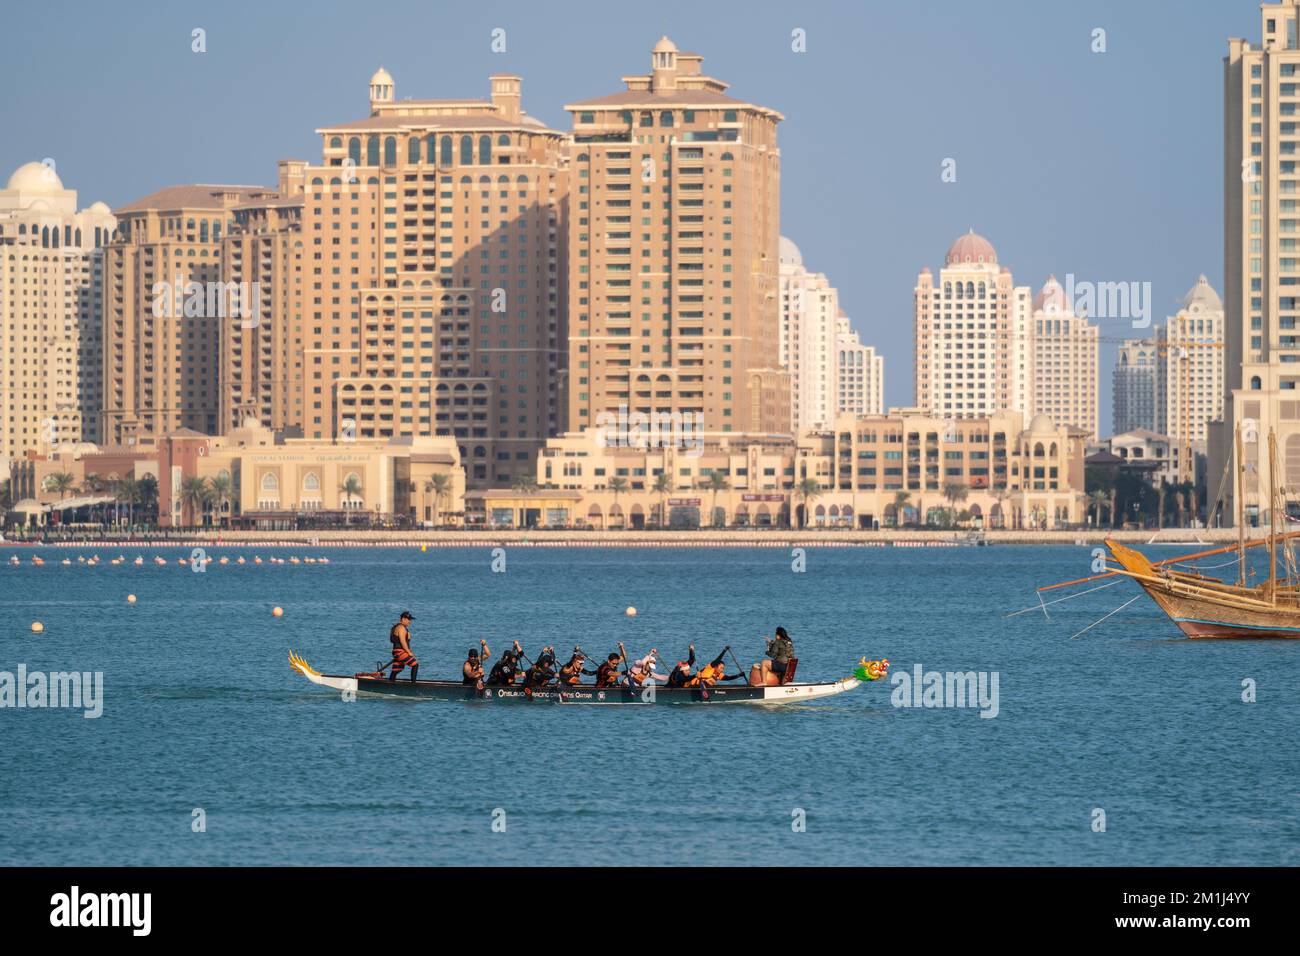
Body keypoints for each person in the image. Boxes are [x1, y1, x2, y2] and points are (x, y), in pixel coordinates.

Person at [388, 611, 418, 682]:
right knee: (415, 664)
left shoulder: (397, 627)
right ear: (403, 619)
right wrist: (409, 652)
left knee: (396, 670)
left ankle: (390, 683)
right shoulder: (401, 628)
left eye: (410, 620)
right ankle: (413, 685)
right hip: (400, 652)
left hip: (397, 652)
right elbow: (403, 642)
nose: (410, 622)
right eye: (408, 619)